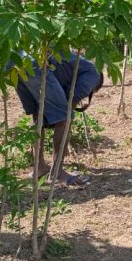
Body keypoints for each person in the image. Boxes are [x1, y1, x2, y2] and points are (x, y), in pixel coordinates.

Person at [12, 52, 103, 187]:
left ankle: (40, 167)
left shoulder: (76, 66)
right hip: (37, 66)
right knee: (65, 118)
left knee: (38, 115)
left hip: (16, 64)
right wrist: (64, 138)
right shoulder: (94, 74)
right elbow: (71, 100)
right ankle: (57, 173)